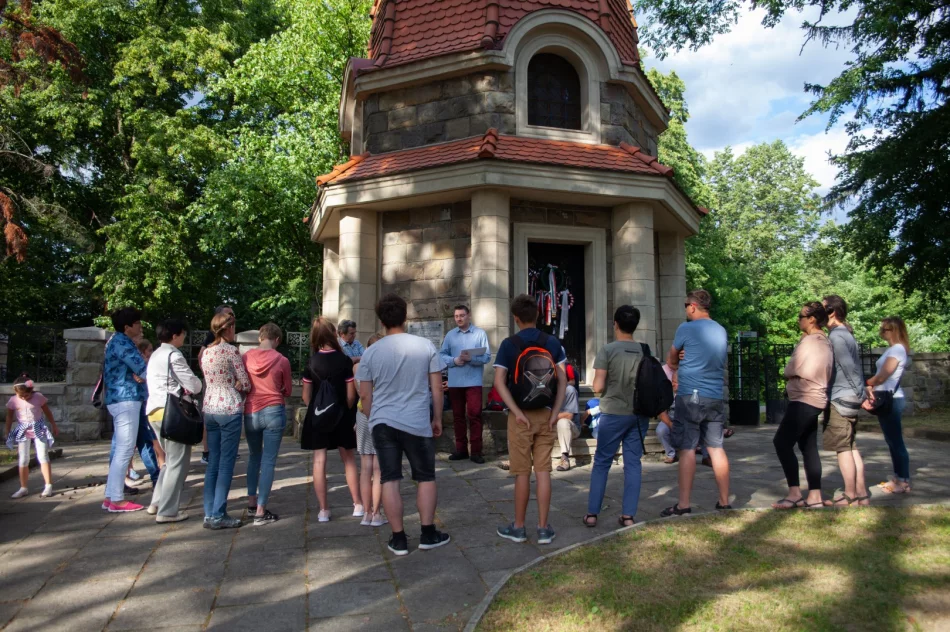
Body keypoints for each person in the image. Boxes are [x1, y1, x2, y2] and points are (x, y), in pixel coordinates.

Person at [357, 294, 451, 556]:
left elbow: (365, 395)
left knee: (389, 478)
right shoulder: (425, 346)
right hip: (416, 421)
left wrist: (374, 417)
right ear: (405, 316)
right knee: (425, 477)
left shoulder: (371, 352)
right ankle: (428, 532)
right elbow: (437, 388)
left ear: (381, 320)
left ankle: (398, 538)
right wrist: (437, 418)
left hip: (383, 422)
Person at [493, 294, 566, 545]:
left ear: (515, 319)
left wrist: (516, 411)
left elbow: (499, 383)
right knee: (544, 471)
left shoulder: (508, 344)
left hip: (520, 417)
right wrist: (555, 412)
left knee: (522, 473)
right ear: (537, 316)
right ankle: (544, 528)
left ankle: (519, 527)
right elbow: (564, 380)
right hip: (546, 414)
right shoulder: (552, 342)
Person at [662, 290, 731, 517]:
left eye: (685, 306)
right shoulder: (720, 330)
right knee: (716, 447)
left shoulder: (686, 329)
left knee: (688, 448)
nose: (685, 310)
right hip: (714, 396)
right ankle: (723, 501)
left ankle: (683, 504)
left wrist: (681, 355)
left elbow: (671, 360)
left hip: (690, 395)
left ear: (692, 306)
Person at [583, 306, 651, 528]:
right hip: (638, 414)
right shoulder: (645, 350)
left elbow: (597, 387)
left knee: (602, 462)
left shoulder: (607, 350)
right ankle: (628, 515)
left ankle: (592, 514)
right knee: (633, 464)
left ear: (615, 324)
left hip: (613, 413)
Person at [771, 302, 834, 510]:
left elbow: (790, 369)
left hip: (804, 398)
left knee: (781, 442)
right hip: (816, 399)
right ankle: (814, 495)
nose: (798, 320)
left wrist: (790, 369)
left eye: (801, 316)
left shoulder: (810, 343)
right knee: (808, 446)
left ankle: (795, 493)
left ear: (812, 319)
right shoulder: (823, 341)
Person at [302, 317, 363, 522]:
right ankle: (358, 504)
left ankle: (324, 510)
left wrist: (317, 408)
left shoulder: (311, 362)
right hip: (342, 415)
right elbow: (351, 394)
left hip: (319, 416)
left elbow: (305, 396)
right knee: (349, 459)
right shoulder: (343, 360)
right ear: (334, 334)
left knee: (319, 460)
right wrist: (344, 409)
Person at [145, 319, 203, 523]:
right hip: (171, 412)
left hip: (154, 411)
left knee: (170, 462)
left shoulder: (156, 355)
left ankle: (157, 502)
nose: (185, 337)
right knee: (178, 463)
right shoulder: (173, 355)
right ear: (175, 335)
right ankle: (167, 511)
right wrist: (198, 383)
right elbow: (193, 384)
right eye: (183, 334)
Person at [200, 311, 250, 529]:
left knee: (213, 462)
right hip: (229, 408)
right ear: (228, 328)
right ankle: (219, 514)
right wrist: (240, 385)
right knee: (226, 464)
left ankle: (209, 512)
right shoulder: (231, 351)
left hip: (210, 407)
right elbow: (245, 382)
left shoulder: (206, 353)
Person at [822, 295, 871, 507]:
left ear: (832, 312)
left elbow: (849, 368)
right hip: (849, 396)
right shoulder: (846, 334)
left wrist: (860, 395)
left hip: (841, 398)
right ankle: (861, 494)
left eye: (823, 309)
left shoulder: (837, 337)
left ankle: (849, 495)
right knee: (851, 446)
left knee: (842, 449)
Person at [242, 323, 292, 525]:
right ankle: (261, 510)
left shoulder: (245, 357)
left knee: (254, 457)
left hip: (251, 410)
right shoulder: (282, 360)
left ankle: (251, 502)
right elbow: (287, 390)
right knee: (269, 461)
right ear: (277, 340)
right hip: (273, 410)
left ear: (260, 338)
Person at [103, 306, 148, 513]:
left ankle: (111, 496)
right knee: (125, 450)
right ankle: (117, 499)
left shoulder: (116, 341)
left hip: (119, 398)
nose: (139, 326)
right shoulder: (123, 343)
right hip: (126, 398)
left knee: (122, 448)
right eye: (137, 323)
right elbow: (143, 368)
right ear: (127, 326)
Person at [864, 316, 912, 494]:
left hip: (892, 399)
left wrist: (867, 382)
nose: (881, 332)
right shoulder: (892, 349)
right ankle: (898, 477)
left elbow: (883, 376)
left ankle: (903, 480)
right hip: (886, 398)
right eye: (882, 329)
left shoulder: (898, 349)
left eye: (885, 329)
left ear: (894, 330)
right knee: (891, 440)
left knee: (896, 441)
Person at [440, 305, 491, 464]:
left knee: (475, 415)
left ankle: (476, 451)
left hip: (473, 381)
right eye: (456, 316)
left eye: (462, 315)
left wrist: (472, 359)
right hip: (455, 382)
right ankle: (461, 450)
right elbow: (441, 355)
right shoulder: (450, 335)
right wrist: (454, 360)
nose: (459, 319)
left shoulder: (479, 333)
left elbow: (487, 357)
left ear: (469, 316)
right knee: (458, 416)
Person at [5, 374, 59, 498]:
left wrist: (54, 425)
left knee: (43, 456)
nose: (24, 398)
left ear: (31, 391)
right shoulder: (13, 400)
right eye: (21, 396)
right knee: (23, 458)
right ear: (15, 392)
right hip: (23, 430)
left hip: (38, 428)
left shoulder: (38, 397)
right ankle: (23, 487)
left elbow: (47, 411)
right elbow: (9, 416)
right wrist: (7, 431)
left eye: (26, 395)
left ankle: (48, 485)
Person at [356, 333, 387, 527]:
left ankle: (366, 513)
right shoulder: (386, 367)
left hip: (361, 415)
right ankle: (376, 513)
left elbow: (358, 395)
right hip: (381, 415)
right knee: (379, 469)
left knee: (365, 467)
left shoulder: (358, 367)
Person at [198, 305, 234, 465]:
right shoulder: (212, 335)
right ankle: (207, 452)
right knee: (211, 419)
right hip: (215, 385)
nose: (232, 316)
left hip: (219, 385)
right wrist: (209, 375)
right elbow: (201, 354)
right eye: (229, 314)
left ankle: (218, 452)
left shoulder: (229, 345)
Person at [554, 383, 580, 471]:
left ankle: (565, 458)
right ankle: (518, 459)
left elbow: (569, 415)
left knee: (563, 422)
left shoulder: (569, 390)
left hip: (571, 428)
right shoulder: (544, 388)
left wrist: (548, 417)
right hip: (551, 427)